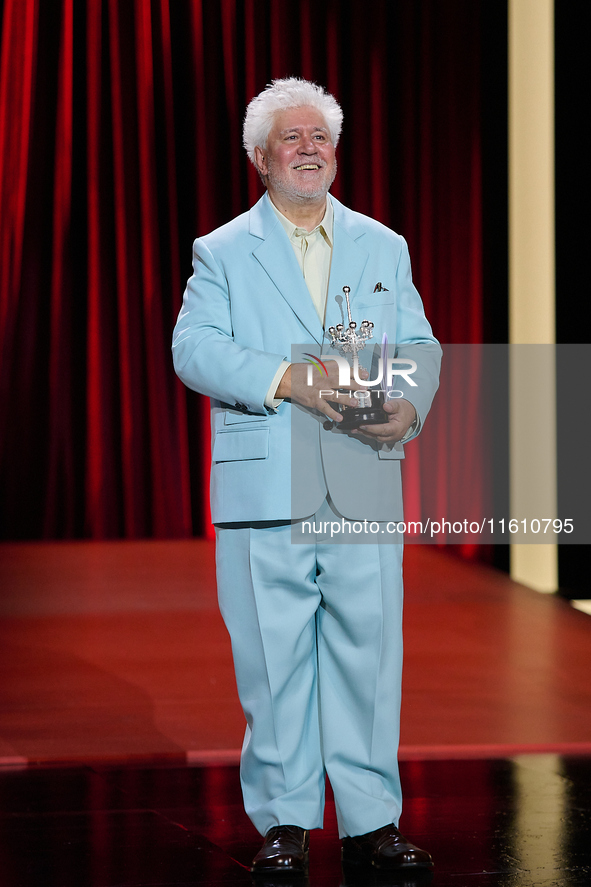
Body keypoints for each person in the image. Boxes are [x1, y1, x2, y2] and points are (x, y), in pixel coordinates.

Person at [172, 78, 441, 876]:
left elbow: (419, 346)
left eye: (320, 135)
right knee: (275, 655)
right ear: (259, 157)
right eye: (291, 137)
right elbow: (194, 350)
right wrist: (284, 380)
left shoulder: (381, 244)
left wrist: (409, 406)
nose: (309, 148)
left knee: (369, 650)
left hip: (360, 473)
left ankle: (371, 822)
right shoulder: (221, 251)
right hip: (267, 481)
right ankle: (286, 821)